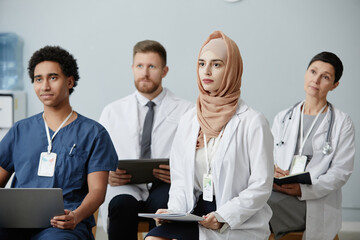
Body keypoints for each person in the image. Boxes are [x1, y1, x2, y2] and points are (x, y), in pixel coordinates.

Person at [145, 31, 274, 240]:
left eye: (217, 64)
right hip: (194, 212)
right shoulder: (189, 119)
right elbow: (179, 180)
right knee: (153, 239)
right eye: (201, 63)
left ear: (232, 69)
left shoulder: (253, 122)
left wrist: (224, 216)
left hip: (235, 220)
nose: (207, 71)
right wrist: (174, 212)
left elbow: (261, 185)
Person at [0, 46, 118, 239]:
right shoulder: (20, 131)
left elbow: (97, 191)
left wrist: (76, 216)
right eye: (38, 79)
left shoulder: (94, 133)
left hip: (64, 226)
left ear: (69, 81)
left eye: (53, 78)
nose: (45, 86)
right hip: (14, 224)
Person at [99, 40, 193, 240]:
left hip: (165, 185)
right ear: (132, 68)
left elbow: (196, 154)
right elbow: (98, 157)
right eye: (140, 66)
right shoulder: (112, 111)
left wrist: (180, 172)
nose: (145, 73)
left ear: (164, 71)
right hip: (125, 185)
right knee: (120, 205)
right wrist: (107, 175)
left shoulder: (187, 111)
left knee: (165, 206)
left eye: (152, 66)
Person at [268, 52, 355, 240]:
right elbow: (268, 157)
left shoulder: (342, 123)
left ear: (334, 85)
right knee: (249, 201)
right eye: (313, 71)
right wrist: (274, 172)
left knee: (258, 210)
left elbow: (341, 172)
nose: (316, 79)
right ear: (306, 73)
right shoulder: (283, 118)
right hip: (278, 191)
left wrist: (304, 190)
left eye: (325, 77)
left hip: (312, 202)